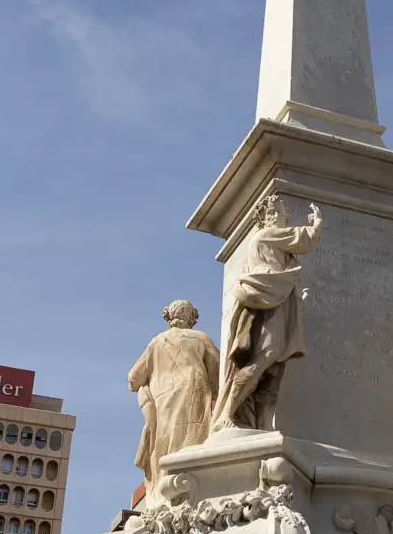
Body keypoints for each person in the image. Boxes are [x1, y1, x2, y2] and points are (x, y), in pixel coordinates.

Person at [211, 195, 322, 432]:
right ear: (262, 220)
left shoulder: (274, 243)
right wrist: (316, 225)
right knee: (266, 356)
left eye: (279, 213)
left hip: (279, 299)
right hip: (271, 298)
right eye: (271, 214)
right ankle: (227, 413)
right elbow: (305, 240)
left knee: (275, 366)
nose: (276, 218)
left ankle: (264, 425)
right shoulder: (265, 235)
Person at [128, 300, 219, 501]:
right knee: (192, 442)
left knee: (163, 446)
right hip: (194, 397)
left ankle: (160, 498)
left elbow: (133, 378)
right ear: (192, 318)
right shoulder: (201, 339)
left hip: (163, 402)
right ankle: (190, 494)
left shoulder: (157, 342)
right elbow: (218, 378)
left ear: (169, 316)